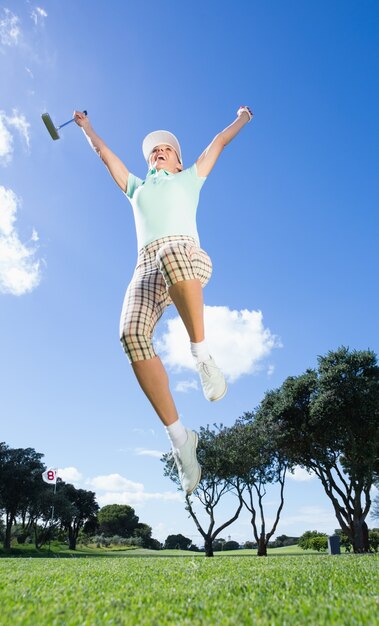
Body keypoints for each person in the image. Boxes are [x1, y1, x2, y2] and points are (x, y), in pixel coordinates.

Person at [74, 105, 253, 495]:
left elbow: (218, 142)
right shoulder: (137, 189)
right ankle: (180, 441)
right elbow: (105, 155)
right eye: (153, 150)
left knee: (170, 256)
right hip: (146, 268)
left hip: (189, 257)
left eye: (166, 149)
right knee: (130, 334)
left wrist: (243, 117)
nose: (158, 152)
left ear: (178, 161)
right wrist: (87, 127)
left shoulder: (190, 179)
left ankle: (203, 356)